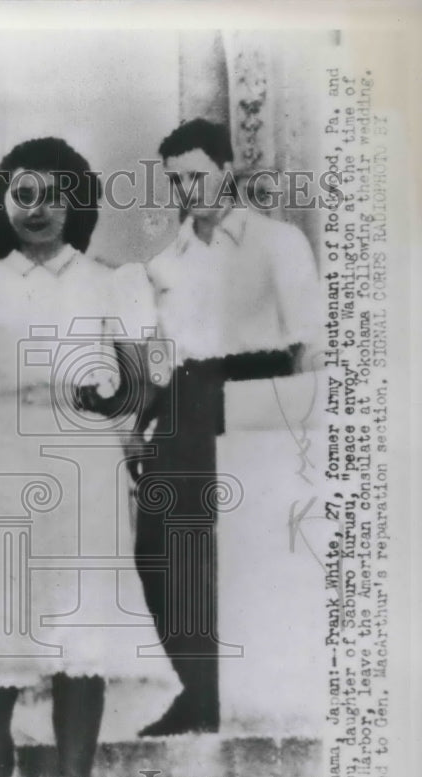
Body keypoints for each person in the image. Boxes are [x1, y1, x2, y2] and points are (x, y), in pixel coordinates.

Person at [0, 137, 180, 777]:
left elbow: (147, 381)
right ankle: (0, 748)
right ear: (3, 203)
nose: (39, 208)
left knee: (84, 633)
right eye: (23, 194)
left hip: (83, 457)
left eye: (54, 194)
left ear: (75, 202)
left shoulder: (116, 282)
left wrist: (118, 403)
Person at [132, 118, 323, 737]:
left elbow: (309, 345)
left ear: (226, 170)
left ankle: (249, 696)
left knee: (244, 553)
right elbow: (161, 360)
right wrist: (140, 427)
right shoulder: (166, 262)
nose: (188, 189)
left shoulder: (278, 243)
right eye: (176, 180)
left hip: (254, 397)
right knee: (161, 552)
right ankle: (198, 691)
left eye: (197, 175)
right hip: (184, 404)